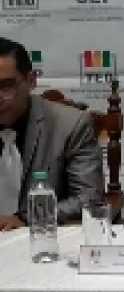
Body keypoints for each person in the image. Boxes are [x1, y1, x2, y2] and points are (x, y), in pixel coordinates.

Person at [0, 38, 104, 231]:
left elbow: (89, 198)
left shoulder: (71, 124)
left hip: (42, 236)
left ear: (31, 81)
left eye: (5, 87)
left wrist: (27, 219)